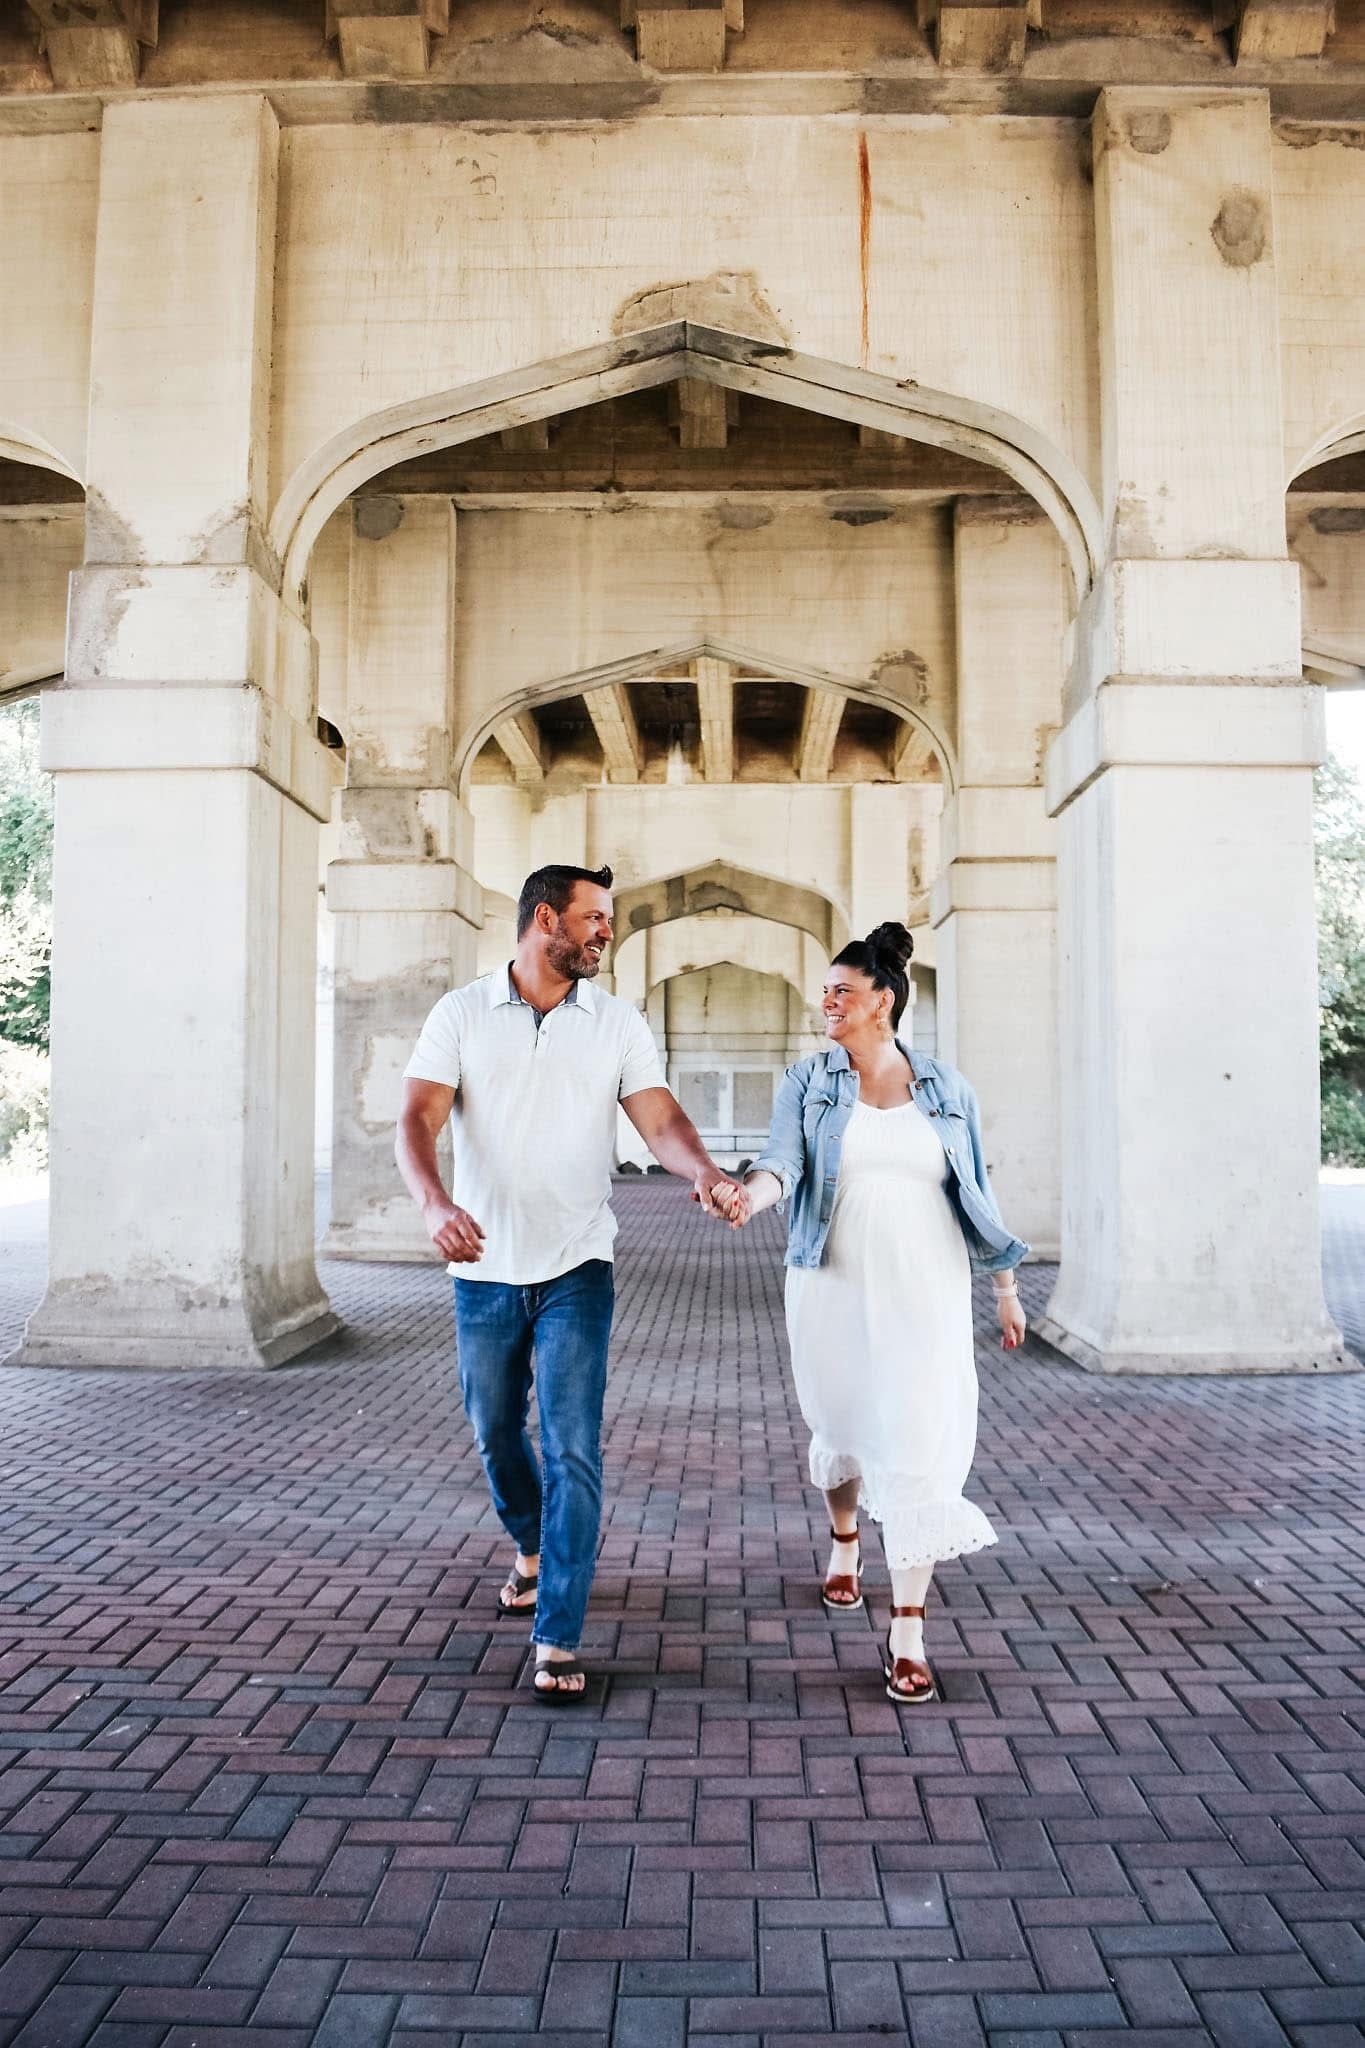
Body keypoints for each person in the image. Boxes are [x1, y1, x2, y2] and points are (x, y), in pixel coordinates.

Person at [396, 863, 750, 1702]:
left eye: (609, 920)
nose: (605, 933)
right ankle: (529, 1545)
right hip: (482, 1267)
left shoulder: (614, 1022)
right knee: (493, 1431)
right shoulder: (462, 1013)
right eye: (594, 919)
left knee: (573, 1449)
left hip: (578, 1265)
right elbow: (416, 1116)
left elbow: (658, 1117)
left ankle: (555, 1634)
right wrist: (432, 1202)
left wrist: (701, 1171)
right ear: (544, 918)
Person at [714, 922, 1027, 1705]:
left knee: (919, 1438)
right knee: (846, 1425)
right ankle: (846, 1540)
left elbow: (975, 1190)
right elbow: (783, 1160)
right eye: (824, 991)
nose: (826, 1001)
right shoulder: (808, 1081)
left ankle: (909, 1632)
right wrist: (749, 1196)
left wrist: (1004, 1287)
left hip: (926, 1285)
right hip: (833, 1281)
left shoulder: (947, 1089)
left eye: (841, 991)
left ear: (881, 1001)